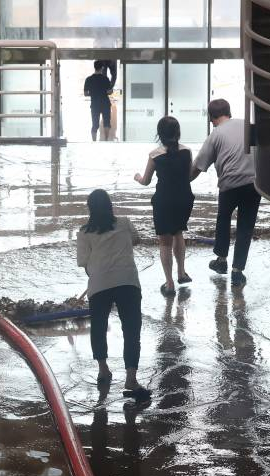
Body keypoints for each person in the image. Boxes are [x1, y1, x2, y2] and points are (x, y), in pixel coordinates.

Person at [76, 189, 149, 400]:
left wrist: (97, 273)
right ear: (110, 206)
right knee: (131, 330)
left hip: (99, 285)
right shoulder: (124, 223)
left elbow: (84, 264)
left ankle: (103, 370)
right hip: (128, 282)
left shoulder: (84, 232)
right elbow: (136, 240)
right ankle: (131, 379)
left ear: (90, 208)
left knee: (98, 328)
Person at [191, 99, 259, 287]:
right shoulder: (248, 126)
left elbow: (198, 166)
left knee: (223, 219)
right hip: (253, 184)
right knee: (245, 227)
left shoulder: (216, 134)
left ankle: (221, 260)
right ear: (229, 112)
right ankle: (237, 272)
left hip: (229, 185)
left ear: (212, 118)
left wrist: (182, 181)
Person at [134, 116, 195, 297]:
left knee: (164, 241)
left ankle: (169, 284)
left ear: (160, 134)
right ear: (178, 133)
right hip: (184, 199)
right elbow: (189, 176)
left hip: (164, 201)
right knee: (178, 232)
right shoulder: (187, 152)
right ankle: (181, 273)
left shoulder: (155, 155)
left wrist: (137, 177)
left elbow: (145, 181)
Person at [84, 61, 114, 142]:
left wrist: (93, 93)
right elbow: (109, 92)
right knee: (107, 122)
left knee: (95, 124)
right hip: (105, 103)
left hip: (95, 104)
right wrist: (105, 91)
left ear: (95, 67)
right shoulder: (105, 79)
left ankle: (94, 141)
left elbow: (85, 93)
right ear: (102, 68)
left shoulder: (89, 79)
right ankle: (106, 140)